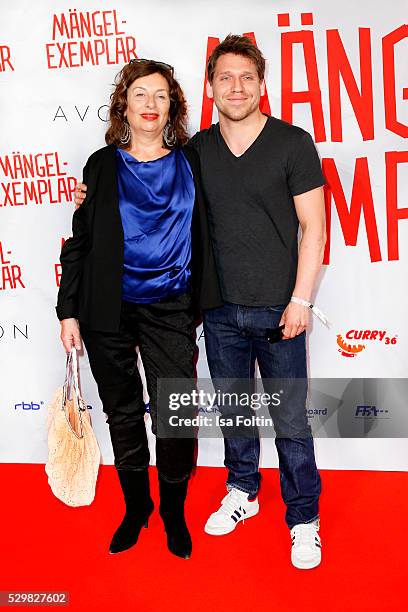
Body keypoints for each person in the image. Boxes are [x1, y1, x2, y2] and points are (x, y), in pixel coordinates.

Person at [75, 35, 327, 569]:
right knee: (236, 416)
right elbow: (114, 210)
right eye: (224, 78)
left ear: (262, 84)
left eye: (247, 77)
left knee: (290, 420)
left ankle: (304, 518)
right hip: (215, 313)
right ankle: (241, 492)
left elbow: (314, 226)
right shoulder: (196, 152)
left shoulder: (289, 143)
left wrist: (302, 298)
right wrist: (90, 202)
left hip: (277, 308)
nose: (236, 87)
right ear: (210, 87)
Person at [57, 58, 222, 560]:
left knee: (176, 415)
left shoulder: (192, 161)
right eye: (141, 94)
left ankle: (173, 510)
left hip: (171, 308)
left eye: (162, 96)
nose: (151, 105)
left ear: (173, 107)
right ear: (123, 103)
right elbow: (80, 242)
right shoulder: (100, 165)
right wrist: (68, 312)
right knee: (122, 412)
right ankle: (137, 508)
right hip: (106, 309)